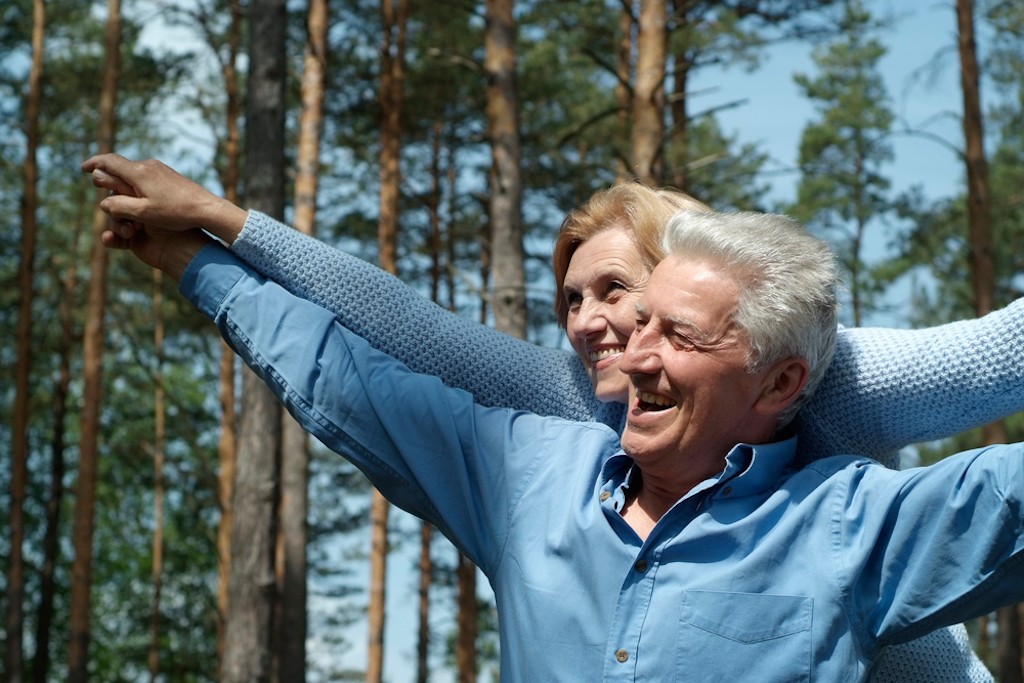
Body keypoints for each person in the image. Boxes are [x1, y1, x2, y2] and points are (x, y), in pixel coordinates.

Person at [83, 154, 1022, 679]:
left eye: (623, 293)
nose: (603, 333)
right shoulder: (546, 447)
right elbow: (386, 351)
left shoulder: (851, 401)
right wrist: (206, 246)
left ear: (780, 381)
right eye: (573, 301)